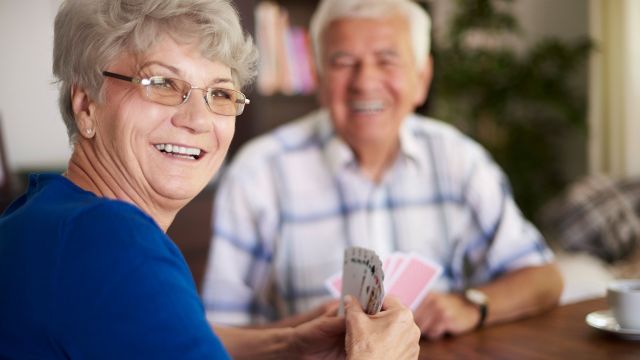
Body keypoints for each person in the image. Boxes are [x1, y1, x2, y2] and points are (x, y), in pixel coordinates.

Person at [0, 0, 420, 358]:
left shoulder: (48, 214)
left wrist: (285, 343)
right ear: (86, 105)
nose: (198, 120)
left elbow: (153, 334)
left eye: (220, 93)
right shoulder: (112, 240)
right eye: (162, 83)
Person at [202, 0, 564, 339]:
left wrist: (471, 305)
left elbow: (544, 278)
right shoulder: (258, 172)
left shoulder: (459, 159)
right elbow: (218, 334)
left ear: (422, 79)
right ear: (319, 78)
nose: (365, 82)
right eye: (344, 62)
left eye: (387, 60)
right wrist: (303, 334)